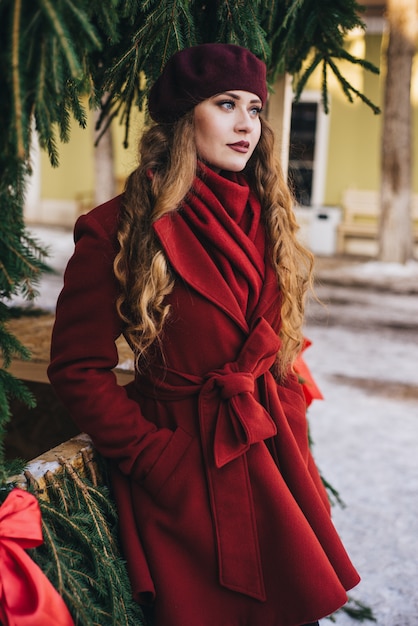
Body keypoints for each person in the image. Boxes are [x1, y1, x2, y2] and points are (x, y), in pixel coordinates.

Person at [48, 43, 360, 626]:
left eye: (255, 108)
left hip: (270, 452)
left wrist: (289, 413)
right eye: (226, 104)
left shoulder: (269, 214)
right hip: (185, 471)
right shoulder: (116, 228)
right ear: (184, 116)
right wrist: (157, 458)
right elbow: (76, 369)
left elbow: (277, 346)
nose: (247, 124)